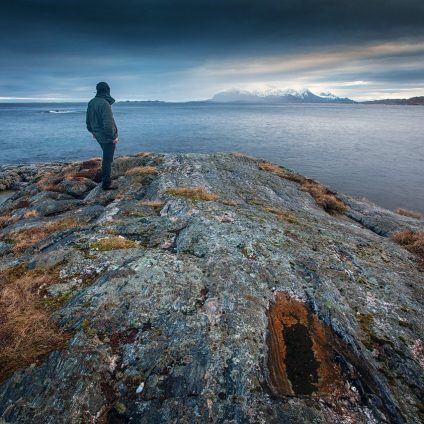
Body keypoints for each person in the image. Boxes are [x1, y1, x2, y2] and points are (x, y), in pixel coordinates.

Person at [86, 82, 119, 190]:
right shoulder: (104, 103)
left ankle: (106, 179)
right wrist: (113, 137)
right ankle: (106, 183)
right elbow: (108, 123)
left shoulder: (91, 102)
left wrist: (93, 132)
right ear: (107, 90)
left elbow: (88, 121)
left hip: (98, 135)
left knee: (106, 157)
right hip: (107, 136)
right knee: (107, 160)